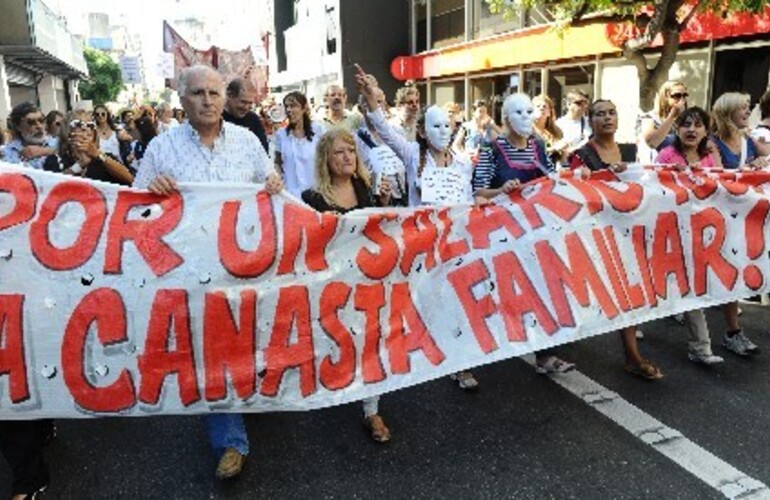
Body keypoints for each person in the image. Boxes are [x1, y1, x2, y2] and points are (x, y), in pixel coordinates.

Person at [133, 65, 283, 480]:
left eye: (214, 93)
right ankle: (230, 441)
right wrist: (153, 191)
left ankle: (255, 395)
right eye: (198, 93)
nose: (208, 101)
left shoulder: (247, 142)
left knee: (249, 339)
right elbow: (137, 211)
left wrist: (273, 183)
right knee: (211, 351)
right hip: (192, 271)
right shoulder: (161, 150)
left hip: (246, 265)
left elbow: (271, 185)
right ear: (182, 100)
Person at [357, 63, 490, 390]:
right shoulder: (412, 154)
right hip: (423, 243)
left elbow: (469, 198)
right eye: (436, 126)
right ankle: (413, 354)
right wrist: (371, 97)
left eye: (448, 125)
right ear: (424, 130)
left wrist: (489, 201)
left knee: (457, 300)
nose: (443, 131)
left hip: (455, 240)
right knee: (422, 301)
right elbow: (383, 129)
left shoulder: (460, 164)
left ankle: (461, 364)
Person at [301, 128, 394, 442]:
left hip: (369, 281)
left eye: (351, 151)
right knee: (338, 340)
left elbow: (386, 228)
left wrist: (383, 204)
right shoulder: (311, 199)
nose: (347, 157)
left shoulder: (366, 187)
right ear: (326, 159)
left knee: (372, 340)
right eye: (339, 152)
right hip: (334, 286)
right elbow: (305, 246)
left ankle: (371, 410)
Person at [569, 99, 663, 379]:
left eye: (612, 112)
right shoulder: (581, 155)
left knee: (629, 291)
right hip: (596, 232)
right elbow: (572, 193)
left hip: (628, 230)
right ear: (590, 120)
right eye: (600, 114)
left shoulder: (631, 151)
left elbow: (645, 186)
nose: (607, 118)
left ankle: (632, 355)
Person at [354, 89, 408, 206]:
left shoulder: (397, 132)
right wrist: (377, 188)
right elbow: (358, 172)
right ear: (361, 108)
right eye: (371, 102)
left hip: (403, 199)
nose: (376, 107)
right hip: (376, 201)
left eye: (380, 102)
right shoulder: (355, 139)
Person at [43, 117, 135, 185]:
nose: (87, 129)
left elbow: (130, 179)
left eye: (91, 125)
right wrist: (79, 166)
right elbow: (51, 189)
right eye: (79, 124)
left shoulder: (105, 158)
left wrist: (98, 155)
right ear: (67, 133)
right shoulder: (55, 160)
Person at [274, 91, 326, 197]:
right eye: (286, 107)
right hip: (291, 194)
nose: (289, 110)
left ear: (304, 108)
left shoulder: (319, 129)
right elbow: (277, 163)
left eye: (293, 106)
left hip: (317, 193)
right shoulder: (281, 134)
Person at [712, 92, 770, 171]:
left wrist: (761, 161)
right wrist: (748, 166)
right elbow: (717, 174)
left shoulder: (749, 140)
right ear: (728, 112)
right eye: (743, 108)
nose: (749, 112)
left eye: (748, 108)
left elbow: (767, 156)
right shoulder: (712, 142)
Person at [637, 80, 688, 163]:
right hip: (653, 170)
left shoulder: (682, 122)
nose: (682, 99)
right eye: (677, 95)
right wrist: (672, 116)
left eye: (684, 95)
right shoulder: (649, 118)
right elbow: (652, 142)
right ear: (665, 97)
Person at [655, 107, 722, 168]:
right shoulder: (665, 156)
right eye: (686, 125)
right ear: (677, 130)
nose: (691, 129)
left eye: (698, 125)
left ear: (706, 132)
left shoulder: (708, 158)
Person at [4, 102, 57, 169]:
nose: (39, 126)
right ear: (18, 126)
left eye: (41, 120)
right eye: (31, 122)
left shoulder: (59, 143)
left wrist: (44, 151)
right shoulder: (8, 151)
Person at [223, 77, 269, 153]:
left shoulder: (253, 119)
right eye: (243, 102)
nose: (246, 107)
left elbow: (263, 151)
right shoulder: (215, 118)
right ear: (229, 95)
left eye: (250, 103)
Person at [532, 94, 568, 165]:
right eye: (538, 106)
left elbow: (562, 160)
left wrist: (564, 151)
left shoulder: (555, 132)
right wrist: (553, 149)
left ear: (549, 113)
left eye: (544, 106)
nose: (541, 108)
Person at [555, 90, 591, 155]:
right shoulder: (558, 125)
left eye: (585, 103)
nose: (583, 106)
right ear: (568, 104)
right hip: (567, 163)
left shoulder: (590, 123)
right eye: (579, 103)